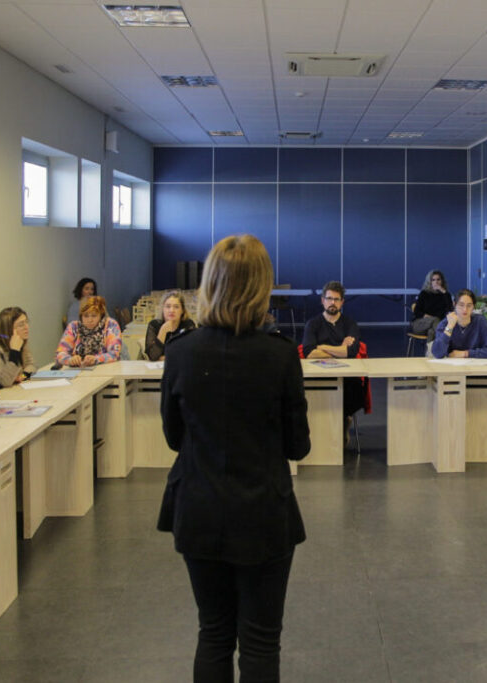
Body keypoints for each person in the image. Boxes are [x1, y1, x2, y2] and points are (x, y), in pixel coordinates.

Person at [157, 234, 310, 682]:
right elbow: (297, 446)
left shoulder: (180, 352)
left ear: (209, 284)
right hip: (263, 510)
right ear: (262, 288)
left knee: (214, 633)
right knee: (261, 641)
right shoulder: (280, 355)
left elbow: (173, 437)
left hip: (198, 508)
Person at [302, 281, 365, 420]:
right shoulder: (312, 324)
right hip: (318, 373)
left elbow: (351, 352)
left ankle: (343, 422)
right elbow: (309, 353)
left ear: (342, 302)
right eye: (329, 298)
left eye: (336, 299)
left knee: (354, 389)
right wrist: (340, 349)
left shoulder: (350, 324)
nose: (332, 302)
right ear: (322, 301)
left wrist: (322, 347)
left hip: (346, 374)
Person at [431, 289, 487, 359]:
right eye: (461, 305)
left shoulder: (481, 322)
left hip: (476, 365)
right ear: (454, 304)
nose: (465, 309)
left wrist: (466, 353)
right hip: (451, 365)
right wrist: (449, 327)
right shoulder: (445, 323)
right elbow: (437, 353)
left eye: (469, 306)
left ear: (473, 306)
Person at [55, 295, 122, 367]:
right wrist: (70, 360)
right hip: (80, 370)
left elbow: (115, 353)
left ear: (101, 315)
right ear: (81, 316)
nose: (90, 320)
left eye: (94, 316)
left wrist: (96, 359)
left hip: (106, 369)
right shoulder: (73, 327)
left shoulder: (110, 325)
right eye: (86, 316)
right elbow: (60, 354)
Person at [144, 290, 196, 361]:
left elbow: (191, 353)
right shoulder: (154, 325)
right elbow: (152, 356)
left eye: (176, 307)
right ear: (163, 309)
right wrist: (163, 331)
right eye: (168, 306)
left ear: (182, 310)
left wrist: (164, 358)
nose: (171, 310)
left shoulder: (188, 325)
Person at [411, 270, 454, 340]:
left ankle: (430, 347)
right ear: (429, 282)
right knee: (435, 320)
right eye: (433, 280)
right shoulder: (424, 293)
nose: (436, 282)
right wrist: (428, 317)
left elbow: (450, 309)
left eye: (438, 279)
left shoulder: (445, 295)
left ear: (442, 281)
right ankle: (445, 340)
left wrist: (443, 291)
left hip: (436, 325)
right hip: (420, 324)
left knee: (431, 332)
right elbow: (417, 311)